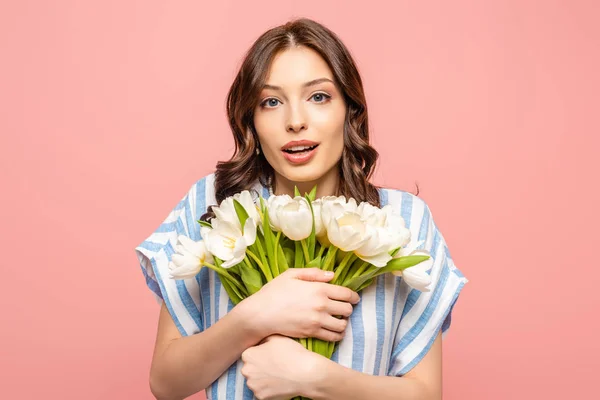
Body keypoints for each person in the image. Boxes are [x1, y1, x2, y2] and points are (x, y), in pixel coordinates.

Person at [135, 17, 468, 400]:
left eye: (319, 97)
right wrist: (253, 317)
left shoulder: (404, 220)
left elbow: (425, 394)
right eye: (271, 102)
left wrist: (316, 379)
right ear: (252, 122)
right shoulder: (215, 204)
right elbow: (166, 383)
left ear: (350, 112)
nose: (295, 121)